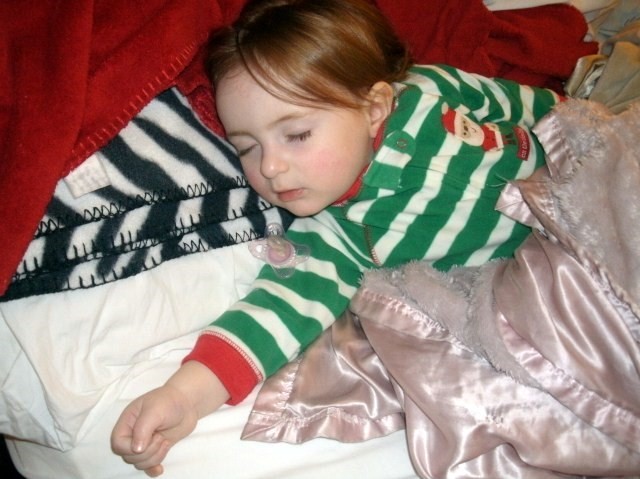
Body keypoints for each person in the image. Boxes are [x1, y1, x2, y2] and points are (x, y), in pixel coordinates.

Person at [110, 0, 562, 475]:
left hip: (578, 173)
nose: (270, 166)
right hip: (553, 261)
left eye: (296, 135)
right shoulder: (343, 232)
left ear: (374, 107)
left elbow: (518, 102)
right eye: (247, 147)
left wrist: (573, 114)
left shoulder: (430, 90)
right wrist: (184, 395)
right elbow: (278, 309)